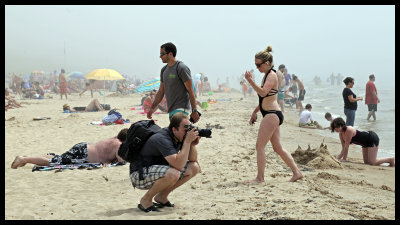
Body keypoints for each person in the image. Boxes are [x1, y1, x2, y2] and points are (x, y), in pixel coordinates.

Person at [244, 45, 303, 183]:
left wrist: (250, 81)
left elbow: (263, 92)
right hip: (272, 113)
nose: (257, 68)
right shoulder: (267, 75)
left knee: (260, 146)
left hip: (272, 114)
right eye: (255, 65)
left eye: (259, 65)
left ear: (267, 63)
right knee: (277, 148)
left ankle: (260, 178)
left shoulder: (271, 75)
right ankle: (297, 172)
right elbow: (266, 98)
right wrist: (254, 112)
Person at [130, 113, 201, 212]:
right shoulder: (163, 138)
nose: (187, 132)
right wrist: (187, 142)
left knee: (194, 167)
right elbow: (179, 165)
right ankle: (146, 200)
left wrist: (192, 144)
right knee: (174, 173)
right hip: (139, 174)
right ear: (174, 129)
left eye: (189, 129)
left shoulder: (179, 136)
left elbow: (193, 160)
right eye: (185, 129)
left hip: (155, 171)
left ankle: (162, 196)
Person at [11, 128, 128, 169]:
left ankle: (27, 158)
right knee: (54, 162)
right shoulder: (119, 145)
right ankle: (23, 159)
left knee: (59, 157)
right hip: (84, 155)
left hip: (83, 147)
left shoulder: (113, 139)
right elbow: (121, 160)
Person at [147, 42, 200, 123]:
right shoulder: (164, 70)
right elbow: (161, 91)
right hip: (171, 109)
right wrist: (152, 108)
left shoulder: (181, 68)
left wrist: (194, 110)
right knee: (176, 134)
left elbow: (190, 90)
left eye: (162, 54)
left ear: (170, 54)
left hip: (181, 109)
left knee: (177, 133)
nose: (160, 56)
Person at [330, 117, 394, 166]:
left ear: (342, 125)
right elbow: (343, 147)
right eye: (334, 127)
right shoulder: (341, 134)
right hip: (364, 144)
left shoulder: (349, 130)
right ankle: (389, 160)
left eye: (337, 127)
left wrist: (344, 159)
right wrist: (338, 159)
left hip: (371, 138)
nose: (336, 129)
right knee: (367, 163)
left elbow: (346, 147)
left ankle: (390, 159)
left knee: (372, 163)